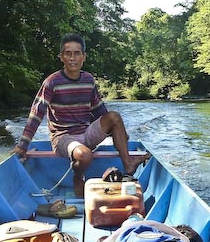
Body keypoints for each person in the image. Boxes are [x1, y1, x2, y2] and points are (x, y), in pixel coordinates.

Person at [13, 33, 150, 196]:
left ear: (83, 57)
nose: (73, 58)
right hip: (63, 137)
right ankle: (78, 177)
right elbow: (37, 114)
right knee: (85, 155)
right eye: (68, 53)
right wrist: (22, 146)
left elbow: (99, 110)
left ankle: (128, 163)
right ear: (61, 57)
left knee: (114, 117)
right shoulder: (52, 82)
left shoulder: (88, 79)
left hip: (86, 133)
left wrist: (119, 132)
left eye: (77, 53)